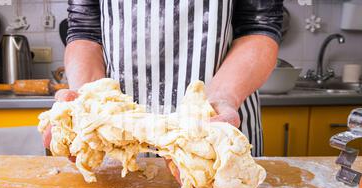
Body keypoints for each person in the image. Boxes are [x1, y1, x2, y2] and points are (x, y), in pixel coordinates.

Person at [43, 0, 283, 176]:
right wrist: (88, 101)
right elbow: (85, 30)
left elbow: (258, 27)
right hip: (116, 138)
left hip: (214, 128)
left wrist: (223, 96)